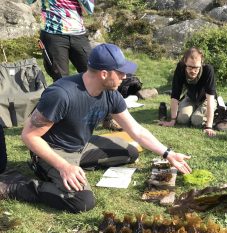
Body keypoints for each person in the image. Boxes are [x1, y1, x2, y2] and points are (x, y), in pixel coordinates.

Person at [0, 43, 191, 213]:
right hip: (53, 152)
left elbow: (136, 130)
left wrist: (168, 154)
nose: (125, 77)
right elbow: (29, 136)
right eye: (121, 72)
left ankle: (76, 167)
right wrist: (64, 166)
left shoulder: (110, 93)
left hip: (81, 146)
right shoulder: (62, 94)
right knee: (82, 201)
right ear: (104, 73)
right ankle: (16, 186)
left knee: (130, 152)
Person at [27, 0, 120, 131]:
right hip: (53, 35)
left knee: (99, 75)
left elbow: (89, 8)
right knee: (60, 81)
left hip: (78, 35)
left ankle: (108, 119)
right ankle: (65, 122)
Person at [158, 47, 218, 137]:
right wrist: (172, 120)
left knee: (196, 121)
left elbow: (210, 99)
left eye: (196, 68)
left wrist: (209, 126)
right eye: (190, 67)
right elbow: (175, 95)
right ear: (185, 61)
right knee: (182, 119)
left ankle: (215, 109)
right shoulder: (180, 68)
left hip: (206, 99)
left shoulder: (208, 70)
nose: (193, 71)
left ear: (201, 62)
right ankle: (192, 109)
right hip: (190, 97)